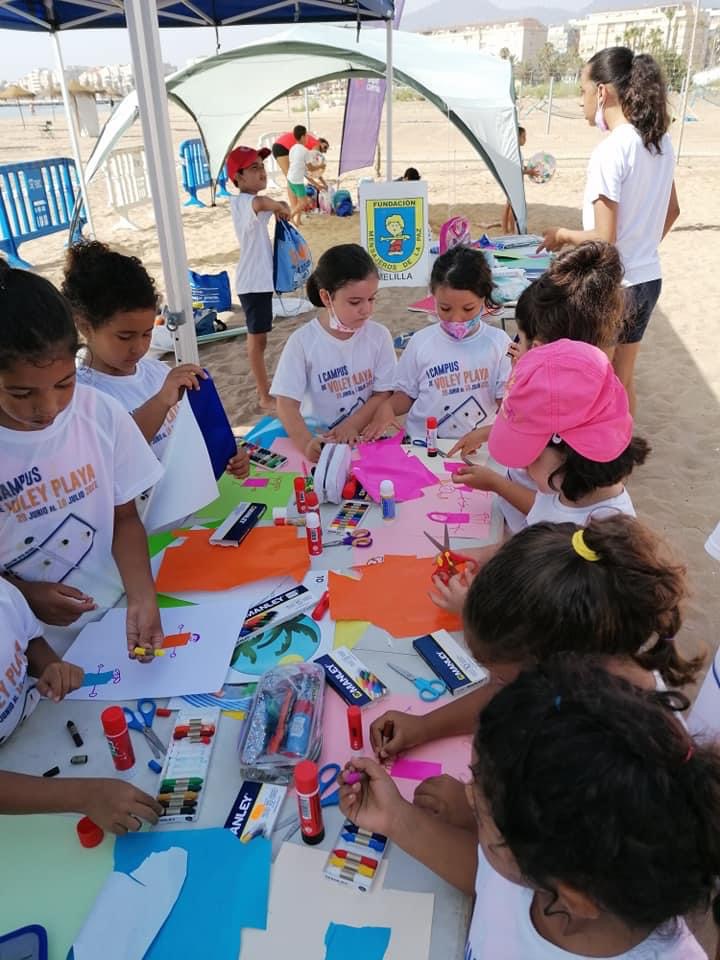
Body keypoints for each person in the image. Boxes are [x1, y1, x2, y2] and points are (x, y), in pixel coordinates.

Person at [342, 657, 716, 959]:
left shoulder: (547, 860)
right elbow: (492, 883)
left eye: (481, 814)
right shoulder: (554, 863)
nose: (467, 795)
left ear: (571, 899)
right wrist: (397, 818)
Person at [370, 513, 702, 824]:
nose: (497, 686)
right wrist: (424, 726)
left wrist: (473, 814)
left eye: (502, 677)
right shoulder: (595, 665)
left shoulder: (603, 761)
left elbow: (525, 859)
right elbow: (503, 692)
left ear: (557, 674)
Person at [0, 258, 164, 660]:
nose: (48, 408)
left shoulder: (99, 412)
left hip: (114, 618)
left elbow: (124, 516)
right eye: (22, 393)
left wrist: (142, 596)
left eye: (64, 383)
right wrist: (26, 595)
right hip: (28, 653)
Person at [539, 48, 680, 415]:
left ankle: (604, 450)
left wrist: (562, 234)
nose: (581, 101)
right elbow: (673, 211)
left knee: (598, 380)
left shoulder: (612, 149)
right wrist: (641, 246)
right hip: (648, 277)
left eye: (583, 90)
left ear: (602, 92)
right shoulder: (660, 143)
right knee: (623, 379)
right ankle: (622, 450)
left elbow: (604, 237)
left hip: (614, 284)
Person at [62, 241, 249, 479]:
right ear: (84, 326)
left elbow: (188, 439)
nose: (139, 347)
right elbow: (113, 456)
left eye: (147, 333)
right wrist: (160, 402)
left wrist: (229, 453)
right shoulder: (80, 396)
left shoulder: (157, 373)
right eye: (125, 337)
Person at [0, 578, 162, 833]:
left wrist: (52, 668)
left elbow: (27, 639)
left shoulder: (4, 594)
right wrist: (84, 795)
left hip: (37, 726)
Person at [448, 239, 625, 460]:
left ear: (537, 348)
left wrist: (495, 480)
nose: (515, 346)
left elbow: (543, 476)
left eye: (520, 339)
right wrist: (485, 433)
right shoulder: (586, 389)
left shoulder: (549, 403)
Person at [452, 339, 649, 536]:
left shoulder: (604, 533)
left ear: (572, 452)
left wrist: (496, 484)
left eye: (534, 457)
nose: (523, 468)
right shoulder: (560, 487)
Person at [365, 246, 511, 441]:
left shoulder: (499, 343)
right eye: (445, 308)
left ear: (484, 299)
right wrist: (388, 407)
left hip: (478, 445)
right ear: (433, 297)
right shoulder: (420, 342)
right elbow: (407, 394)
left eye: (468, 309)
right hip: (424, 443)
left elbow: (506, 404)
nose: (456, 318)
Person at [270, 244, 396, 461]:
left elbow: (383, 393)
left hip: (363, 440)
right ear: (327, 298)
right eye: (355, 302)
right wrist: (307, 444)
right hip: (318, 439)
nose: (367, 310)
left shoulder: (379, 336)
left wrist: (352, 425)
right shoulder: (302, 342)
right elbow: (286, 404)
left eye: (372, 298)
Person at [226, 145, 291, 413]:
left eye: (262, 166)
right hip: (252, 282)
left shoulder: (251, 203)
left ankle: (264, 388)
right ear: (238, 177)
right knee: (257, 340)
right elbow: (263, 204)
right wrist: (277, 206)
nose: (261, 172)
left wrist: (280, 207)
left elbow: (275, 205)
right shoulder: (242, 202)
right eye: (254, 168)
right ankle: (263, 394)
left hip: (259, 282)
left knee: (261, 338)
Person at [501, 126, 532, 234]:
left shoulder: (515, 150)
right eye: (523, 136)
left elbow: (518, 167)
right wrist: (529, 172)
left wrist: (527, 168)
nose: (525, 139)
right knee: (512, 207)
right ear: (517, 137)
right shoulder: (515, 152)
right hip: (513, 182)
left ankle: (507, 229)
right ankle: (510, 230)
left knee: (509, 206)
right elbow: (515, 170)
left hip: (512, 181)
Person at [287, 129, 313, 227]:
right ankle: (290, 216)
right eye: (306, 136)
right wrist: (320, 166)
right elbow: (311, 168)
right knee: (303, 202)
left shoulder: (293, 148)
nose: (307, 138)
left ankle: (298, 221)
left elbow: (295, 164)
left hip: (290, 177)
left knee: (299, 202)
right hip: (297, 181)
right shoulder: (305, 151)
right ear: (302, 137)